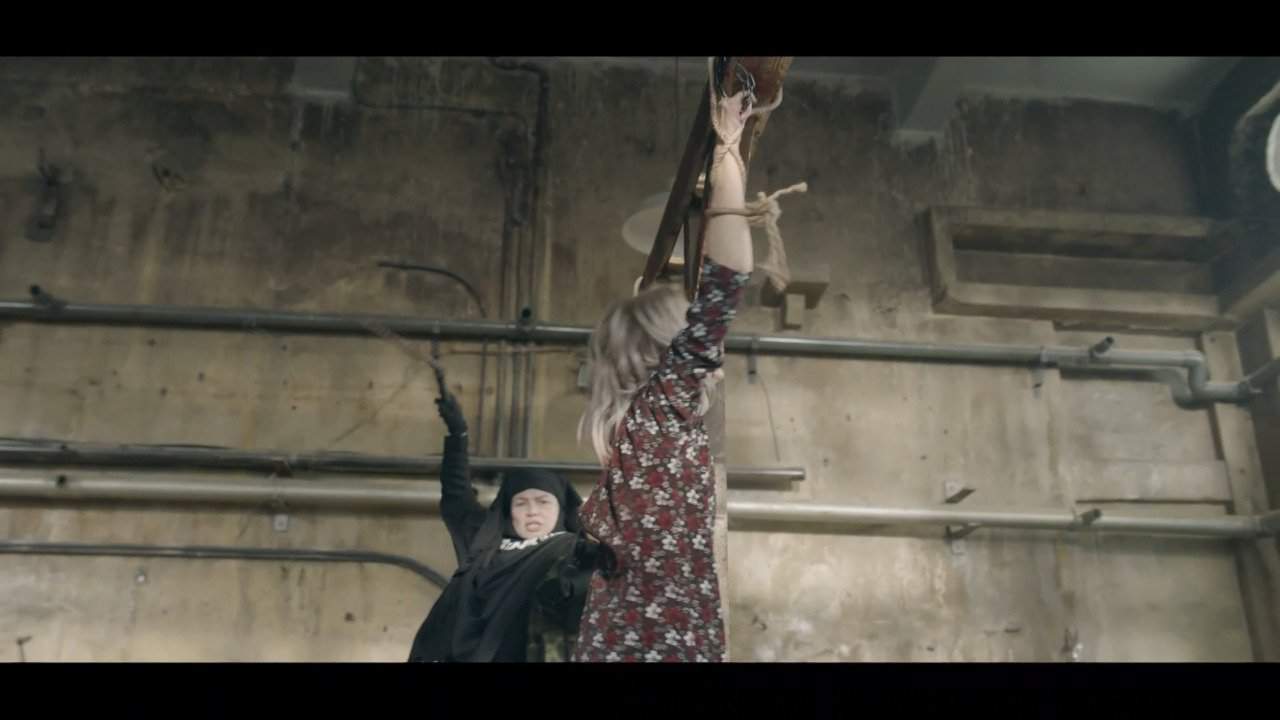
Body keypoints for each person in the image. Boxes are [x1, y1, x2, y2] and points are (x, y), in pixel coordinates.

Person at [572, 88, 761, 662]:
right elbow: (728, 276)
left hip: (619, 637)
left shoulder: (630, 437)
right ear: (668, 348)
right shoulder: (660, 412)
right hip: (663, 642)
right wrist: (728, 152)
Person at [408, 386, 598, 662]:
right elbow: (456, 499)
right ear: (509, 511)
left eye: (543, 502)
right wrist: (458, 435)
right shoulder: (486, 543)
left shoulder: (573, 551)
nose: (532, 511)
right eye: (521, 503)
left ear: (560, 509)